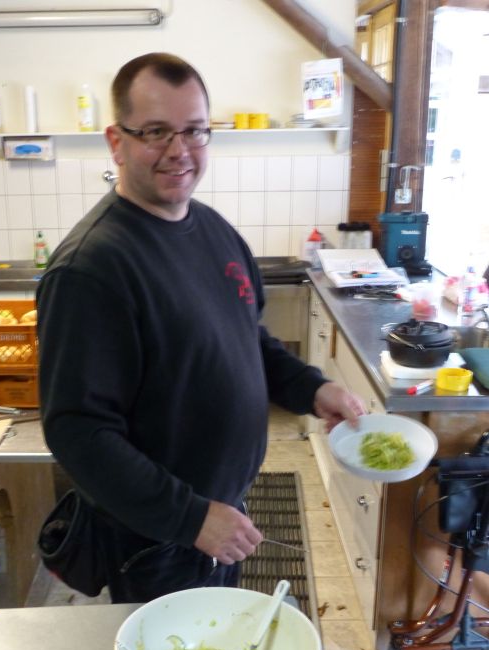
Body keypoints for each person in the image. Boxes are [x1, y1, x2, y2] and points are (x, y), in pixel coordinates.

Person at [36, 52, 366, 603]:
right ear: (116, 142)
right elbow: (78, 431)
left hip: (217, 515)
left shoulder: (214, 231)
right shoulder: (91, 269)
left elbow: (247, 342)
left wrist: (312, 389)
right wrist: (190, 518)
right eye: (155, 131)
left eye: (194, 130)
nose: (179, 150)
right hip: (154, 538)